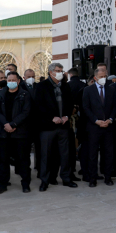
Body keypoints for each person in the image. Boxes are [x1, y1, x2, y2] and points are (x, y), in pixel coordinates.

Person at [35, 63, 77, 192]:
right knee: (46, 155)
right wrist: (51, 118)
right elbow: (38, 106)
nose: (60, 73)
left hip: (63, 126)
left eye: (61, 70)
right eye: (57, 70)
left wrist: (66, 116)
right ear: (50, 72)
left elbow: (70, 103)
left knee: (65, 154)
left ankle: (66, 178)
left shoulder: (65, 86)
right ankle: (45, 181)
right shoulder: (41, 86)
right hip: (47, 127)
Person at [0, 72, 32, 194]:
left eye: (13, 80)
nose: (10, 82)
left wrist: (13, 124)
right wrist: (6, 124)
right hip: (4, 133)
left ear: (19, 81)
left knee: (23, 159)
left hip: (20, 133)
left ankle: (25, 184)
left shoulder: (24, 95)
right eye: (9, 80)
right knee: (3, 160)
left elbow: (26, 112)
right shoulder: (1, 95)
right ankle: (2, 184)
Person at [82, 68, 116, 187]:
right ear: (95, 78)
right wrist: (96, 121)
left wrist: (110, 119)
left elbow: (114, 107)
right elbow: (85, 108)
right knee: (92, 154)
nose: (104, 78)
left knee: (108, 153)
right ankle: (92, 178)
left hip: (108, 127)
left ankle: (108, 177)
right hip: (94, 128)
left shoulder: (111, 89)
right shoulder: (88, 90)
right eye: (101, 76)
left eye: (105, 76)